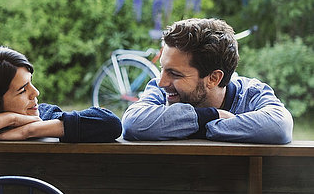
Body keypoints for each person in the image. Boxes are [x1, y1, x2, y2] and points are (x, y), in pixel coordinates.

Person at [0, 45, 122, 157]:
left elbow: (109, 123)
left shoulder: (39, 116)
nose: (36, 93)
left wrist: (29, 130)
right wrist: (10, 119)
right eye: (22, 90)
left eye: (31, 84)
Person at [122, 18, 293, 144]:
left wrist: (203, 127)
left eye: (175, 74)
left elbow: (279, 127)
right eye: (162, 69)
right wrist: (211, 116)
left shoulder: (252, 93)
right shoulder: (161, 90)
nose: (162, 82)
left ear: (213, 78)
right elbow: (132, 123)